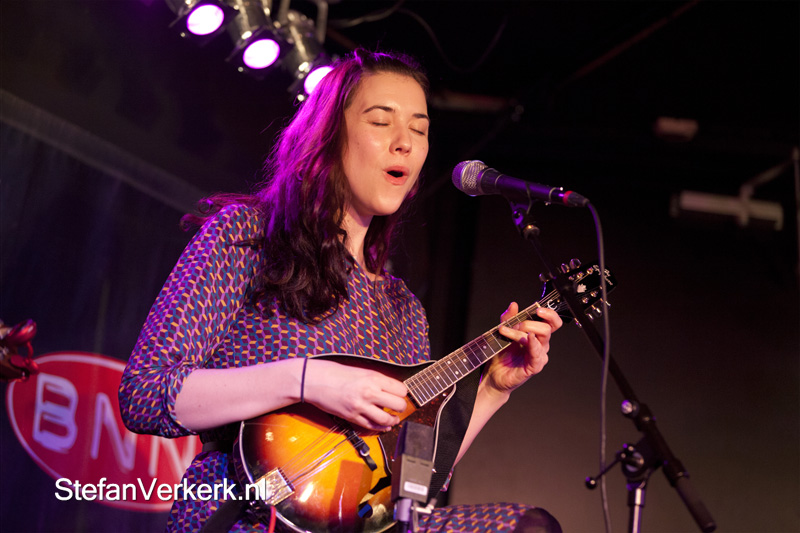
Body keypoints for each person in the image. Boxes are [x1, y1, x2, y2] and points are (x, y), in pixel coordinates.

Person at [119, 49, 563, 533]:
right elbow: (145, 393)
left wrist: (493, 389)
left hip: (354, 523)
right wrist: (309, 381)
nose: (404, 143)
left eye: (419, 130)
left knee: (529, 528)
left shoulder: (402, 308)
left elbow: (409, 482)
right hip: (249, 513)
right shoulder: (247, 236)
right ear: (328, 136)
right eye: (381, 122)